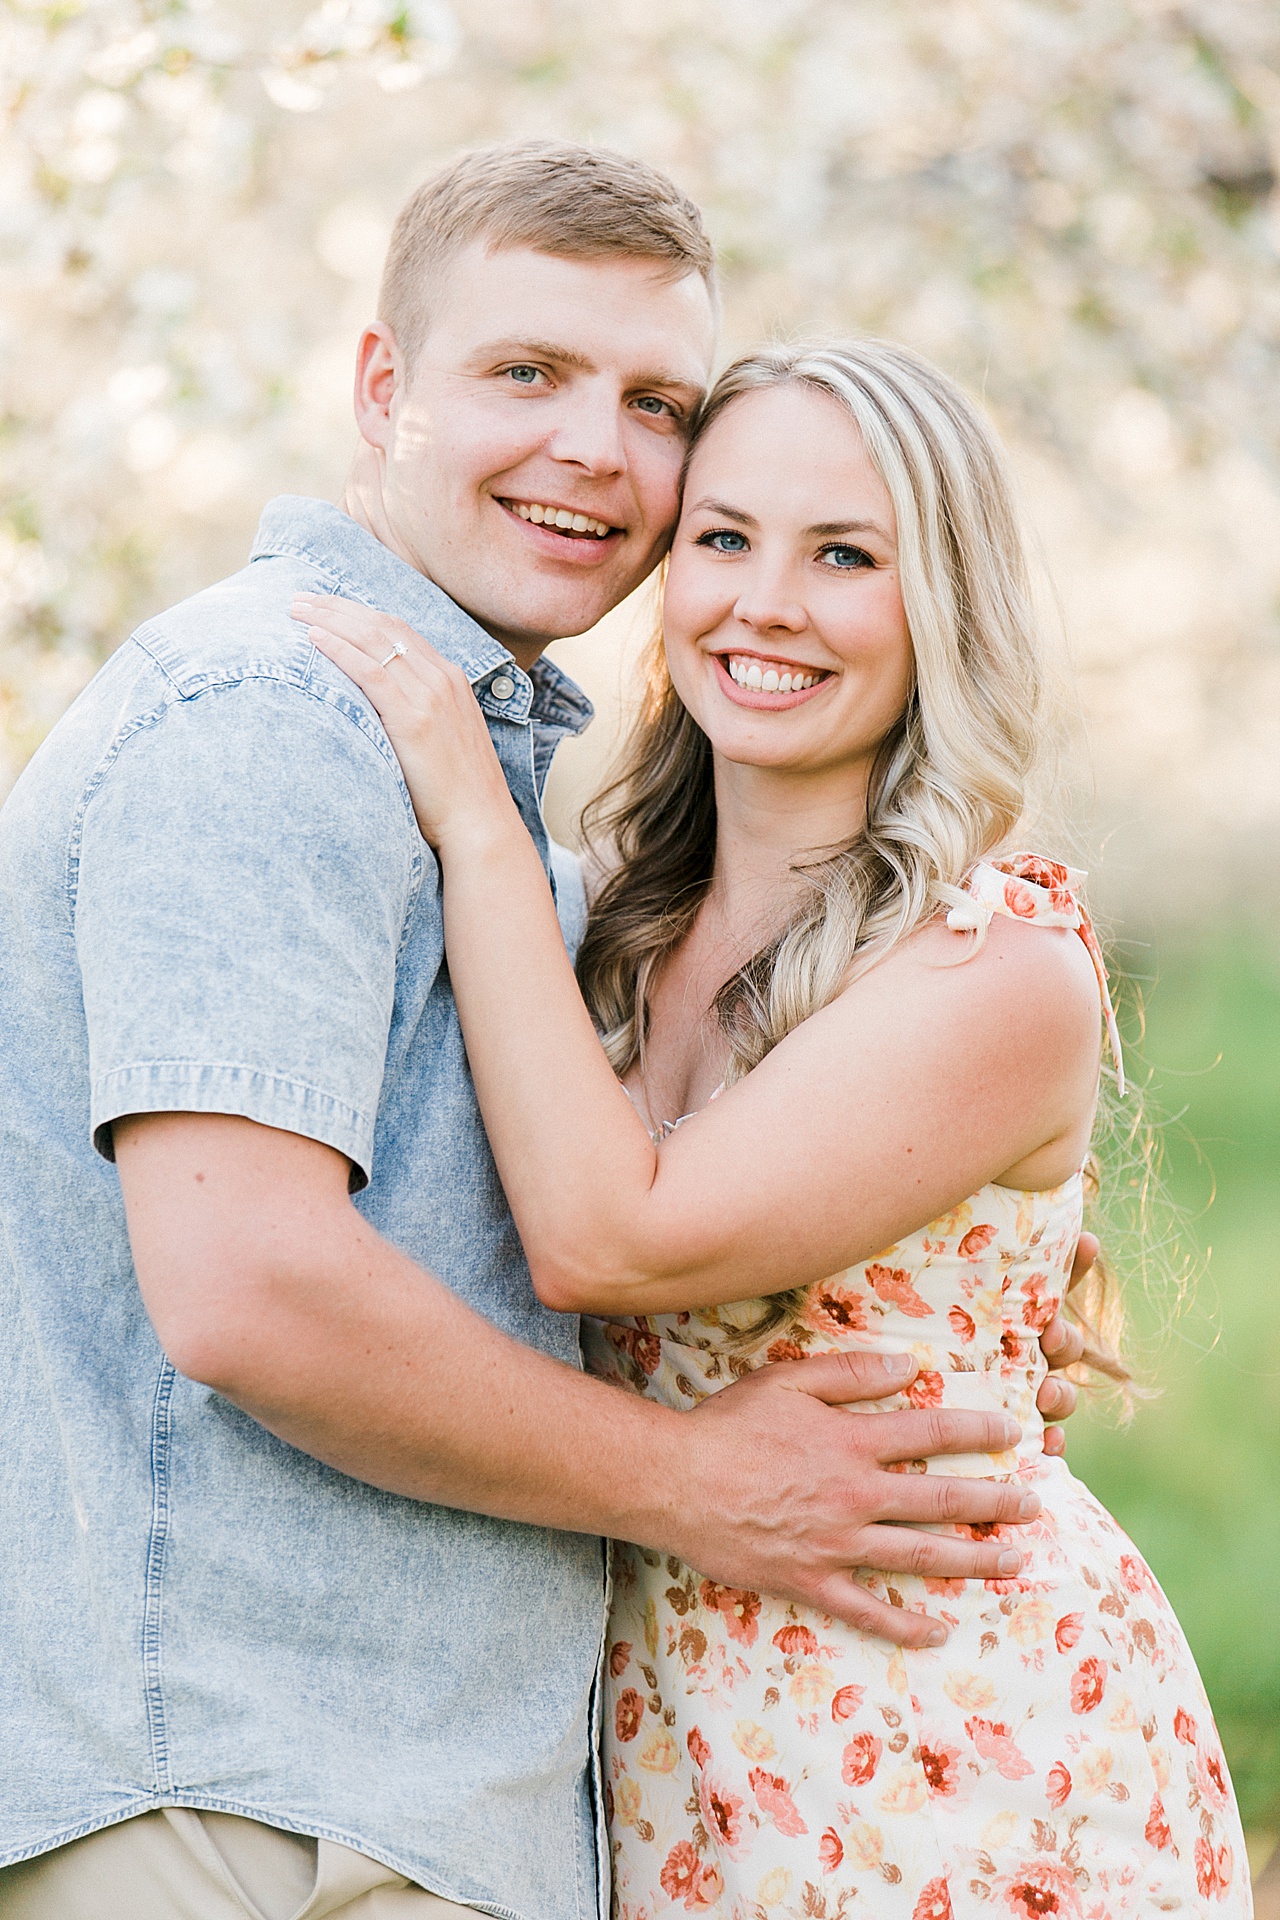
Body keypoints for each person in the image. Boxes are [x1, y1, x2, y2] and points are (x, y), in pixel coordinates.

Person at [0, 146, 1086, 1920]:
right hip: (248, 1801)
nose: (594, 449)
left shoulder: (554, 857)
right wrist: (696, 1483)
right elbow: (248, 1287)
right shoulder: (280, 717)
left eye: (654, 404)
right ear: (381, 386)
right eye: (527, 372)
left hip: (569, 1788)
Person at [297, 334, 1250, 1919]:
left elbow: (607, 1241)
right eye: (726, 538)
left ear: (940, 603)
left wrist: (472, 813)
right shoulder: (607, 933)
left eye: (845, 557)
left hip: (953, 1746)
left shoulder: (993, 966)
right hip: (673, 1751)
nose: (768, 605)